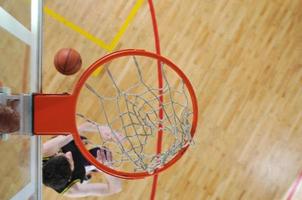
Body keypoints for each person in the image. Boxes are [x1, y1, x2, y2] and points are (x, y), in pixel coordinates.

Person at [42, 123, 123, 197]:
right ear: (70, 176)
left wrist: (101, 128)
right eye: (69, 160)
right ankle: (86, 175)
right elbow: (115, 189)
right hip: (79, 169)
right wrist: (107, 169)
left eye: (61, 155)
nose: (69, 153)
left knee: (71, 136)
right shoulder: (71, 190)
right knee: (104, 154)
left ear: (53, 157)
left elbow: (81, 127)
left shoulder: (45, 151)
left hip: (62, 144)